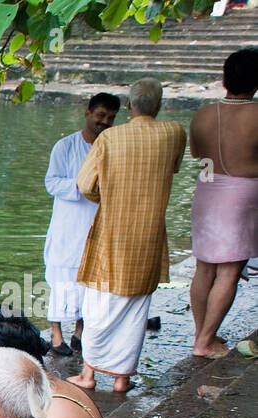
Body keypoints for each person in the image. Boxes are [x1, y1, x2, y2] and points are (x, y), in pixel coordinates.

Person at [71, 78, 187, 393]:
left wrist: (104, 198)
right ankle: (122, 378)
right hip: (149, 236)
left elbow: (84, 184)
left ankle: (89, 375)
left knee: (99, 305)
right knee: (136, 309)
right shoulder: (174, 133)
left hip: (112, 233)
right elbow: (172, 168)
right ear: (159, 105)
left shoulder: (109, 138)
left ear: (129, 106)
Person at [188, 47, 258, 358]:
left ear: (224, 78)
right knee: (229, 270)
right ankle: (205, 342)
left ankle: (202, 334)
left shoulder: (203, 113)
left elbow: (196, 154)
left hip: (207, 188)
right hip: (242, 193)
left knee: (204, 268)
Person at [42, 93, 120, 356]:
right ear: (88, 113)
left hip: (98, 223)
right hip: (68, 223)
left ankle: (79, 330)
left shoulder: (114, 149)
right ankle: (56, 333)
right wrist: (81, 184)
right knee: (61, 275)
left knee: (89, 278)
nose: (104, 122)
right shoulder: (64, 146)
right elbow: (51, 182)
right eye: (100, 115)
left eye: (110, 118)